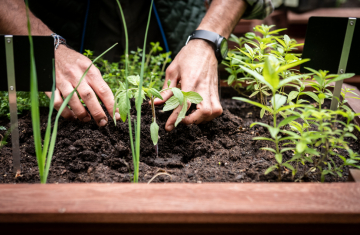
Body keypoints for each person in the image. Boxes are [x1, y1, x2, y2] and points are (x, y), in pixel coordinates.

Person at [0, 0, 273, 131]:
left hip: (179, 38)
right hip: (51, 28)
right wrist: (43, 44)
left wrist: (208, 38)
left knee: (179, 107)